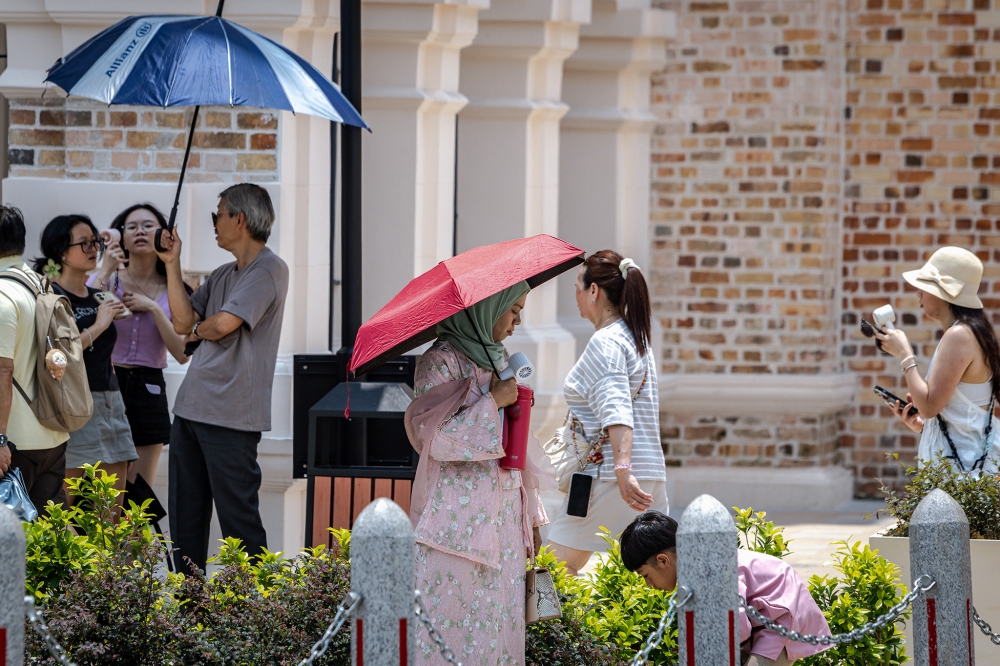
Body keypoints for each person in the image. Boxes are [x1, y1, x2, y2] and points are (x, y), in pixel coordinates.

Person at [404, 283, 549, 666]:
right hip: (455, 529)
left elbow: (516, 446)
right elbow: (434, 440)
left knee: (500, 633)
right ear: (487, 308)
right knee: (450, 630)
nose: (518, 320)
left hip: (503, 524)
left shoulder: (498, 358)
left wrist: (530, 515)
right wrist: (493, 401)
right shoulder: (439, 362)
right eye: (513, 309)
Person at [155, 183, 289, 574]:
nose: (214, 224)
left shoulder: (269, 270)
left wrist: (198, 331)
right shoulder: (221, 274)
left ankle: (254, 617)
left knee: (239, 524)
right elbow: (183, 321)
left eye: (218, 216)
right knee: (185, 524)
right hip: (191, 410)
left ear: (240, 220)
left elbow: (222, 325)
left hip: (232, 417)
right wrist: (171, 263)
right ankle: (191, 615)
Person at [546, 250, 668, 575]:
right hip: (648, 474)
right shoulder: (636, 339)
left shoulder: (606, 343)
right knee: (652, 573)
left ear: (594, 291)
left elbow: (616, 409)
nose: (575, 296)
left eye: (577, 287)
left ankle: (534, 628)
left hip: (611, 477)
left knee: (550, 572)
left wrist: (623, 469)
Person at [619, 511, 831, 666]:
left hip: (781, 616)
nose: (648, 584)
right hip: (765, 616)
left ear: (663, 561)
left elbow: (738, 627)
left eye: (645, 575)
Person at [33, 214, 136, 510]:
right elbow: (57, 356)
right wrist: (99, 325)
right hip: (73, 405)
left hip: (110, 403)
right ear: (62, 252)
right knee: (66, 509)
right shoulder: (51, 297)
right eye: (84, 243)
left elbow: (107, 355)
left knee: (110, 513)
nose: (93, 249)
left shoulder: (98, 294)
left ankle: (107, 560)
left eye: (95, 242)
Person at [89, 203, 189, 488]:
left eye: (149, 225)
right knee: (101, 489)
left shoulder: (175, 289)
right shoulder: (109, 281)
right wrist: (106, 267)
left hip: (149, 388)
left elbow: (182, 354)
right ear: (122, 236)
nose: (141, 231)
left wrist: (154, 309)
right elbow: (81, 311)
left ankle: (133, 536)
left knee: (139, 491)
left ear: (163, 234)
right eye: (132, 227)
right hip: (106, 382)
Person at [876, 246, 1000, 473]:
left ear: (946, 293)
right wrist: (923, 426)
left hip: (963, 472)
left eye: (925, 286)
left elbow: (930, 406)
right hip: (967, 465)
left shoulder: (959, 335)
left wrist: (905, 354)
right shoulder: (971, 332)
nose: (918, 293)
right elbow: (959, 414)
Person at [0, 205, 71, 509]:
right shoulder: (41, 286)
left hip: (14, 444)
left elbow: (3, 371)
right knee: (46, 546)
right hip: (53, 436)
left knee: (10, 548)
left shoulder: (2, 293)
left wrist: (0, 440)